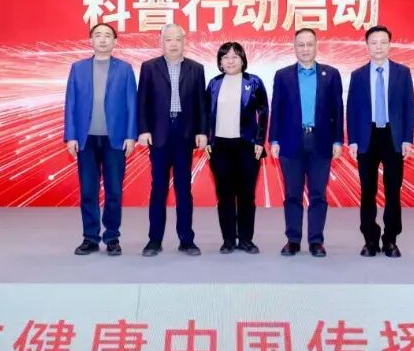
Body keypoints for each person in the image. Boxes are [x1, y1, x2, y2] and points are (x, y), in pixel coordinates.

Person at [63, 23, 137, 256]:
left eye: (107, 36)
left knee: (114, 191)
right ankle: (90, 238)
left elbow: (132, 104)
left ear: (115, 41)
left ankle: (112, 237)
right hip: (85, 140)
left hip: (115, 139)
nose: (103, 39)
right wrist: (71, 136)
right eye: (98, 35)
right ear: (91, 40)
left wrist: (131, 135)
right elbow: (70, 103)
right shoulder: (78, 68)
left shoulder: (125, 69)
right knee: (88, 190)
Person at [269, 28, 344, 257]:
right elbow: (276, 109)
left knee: (318, 194)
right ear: (294, 47)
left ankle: (316, 241)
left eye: (309, 44)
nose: (305, 49)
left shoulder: (331, 74)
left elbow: (338, 109)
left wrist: (338, 140)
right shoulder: (283, 75)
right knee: (292, 193)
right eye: (300, 45)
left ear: (316, 46)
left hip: (321, 141)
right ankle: (293, 240)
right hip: (291, 141)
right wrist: (274, 139)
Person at [137, 24, 208, 256]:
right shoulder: (149, 67)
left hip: (185, 134)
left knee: (183, 189)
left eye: (178, 39)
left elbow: (201, 103)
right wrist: (143, 130)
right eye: (168, 39)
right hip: (158, 134)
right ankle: (154, 240)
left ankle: (186, 240)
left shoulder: (196, 68)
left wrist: (202, 131)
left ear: (184, 41)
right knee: (158, 188)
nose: (174, 43)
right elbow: (142, 101)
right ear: (161, 42)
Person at [346, 25, 414, 258]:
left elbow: (409, 107)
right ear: (367, 46)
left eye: (383, 42)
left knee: (393, 190)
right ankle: (370, 239)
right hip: (367, 137)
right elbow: (352, 110)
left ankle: (391, 240)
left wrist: (407, 139)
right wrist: (352, 140)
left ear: (389, 45)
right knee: (368, 190)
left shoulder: (402, 73)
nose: (378, 47)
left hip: (393, 137)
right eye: (374, 43)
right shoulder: (357, 75)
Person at [205, 42, 269, 254]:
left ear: (242, 60)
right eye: (225, 57)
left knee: (246, 195)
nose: (230, 61)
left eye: (235, 56)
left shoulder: (254, 82)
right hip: (220, 147)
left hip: (247, 146)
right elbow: (205, 114)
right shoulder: (214, 84)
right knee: (224, 194)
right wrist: (207, 140)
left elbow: (264, 112)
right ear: (220, 62)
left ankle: (246, 239)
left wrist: (260, 141)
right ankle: (228, 240)